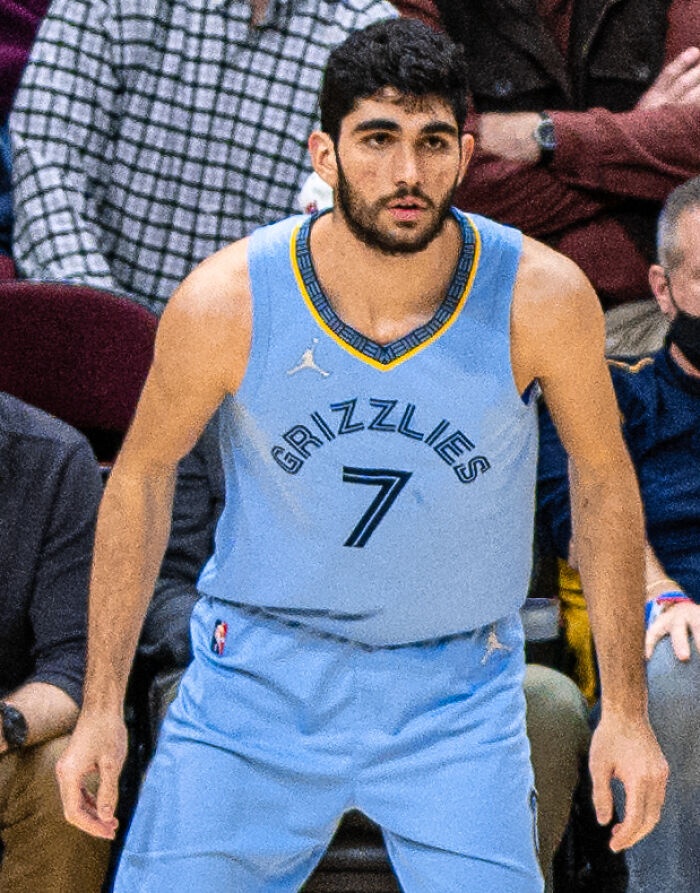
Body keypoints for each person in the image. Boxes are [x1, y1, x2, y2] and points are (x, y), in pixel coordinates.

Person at [56, 19, 667, 893]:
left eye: (432, 142)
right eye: (377, 139)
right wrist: (101, 707)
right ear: (325, 153)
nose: (407, 172)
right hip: (255, 684)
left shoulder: (540, 296)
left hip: (457, 693)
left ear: (465, 155)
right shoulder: (227, 298)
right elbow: (142, 480)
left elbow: (603, 483)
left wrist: (629, 712)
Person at [9, 0, 398, 314]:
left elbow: (352, 259)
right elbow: (48, 173)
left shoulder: (371, 39)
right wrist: (112, 337)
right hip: (97, 341)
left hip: (260, 366)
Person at [538, 174, 700, 893]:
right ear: (664, 289)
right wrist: (663, 594)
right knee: (680, 661)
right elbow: (584, 521)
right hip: (655, 647)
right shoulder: (610, 391)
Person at [395, 0, 700, 356]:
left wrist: (543, 135)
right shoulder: (423, 10)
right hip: (491, 319)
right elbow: (448, 182)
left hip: (652, 309)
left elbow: (693, 140)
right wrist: (639, 142)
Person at [0, 391, 110, 893]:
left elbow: (73, 665)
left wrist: (6, 725)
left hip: (6, 726)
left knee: (67, 770)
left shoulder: (54, 459)